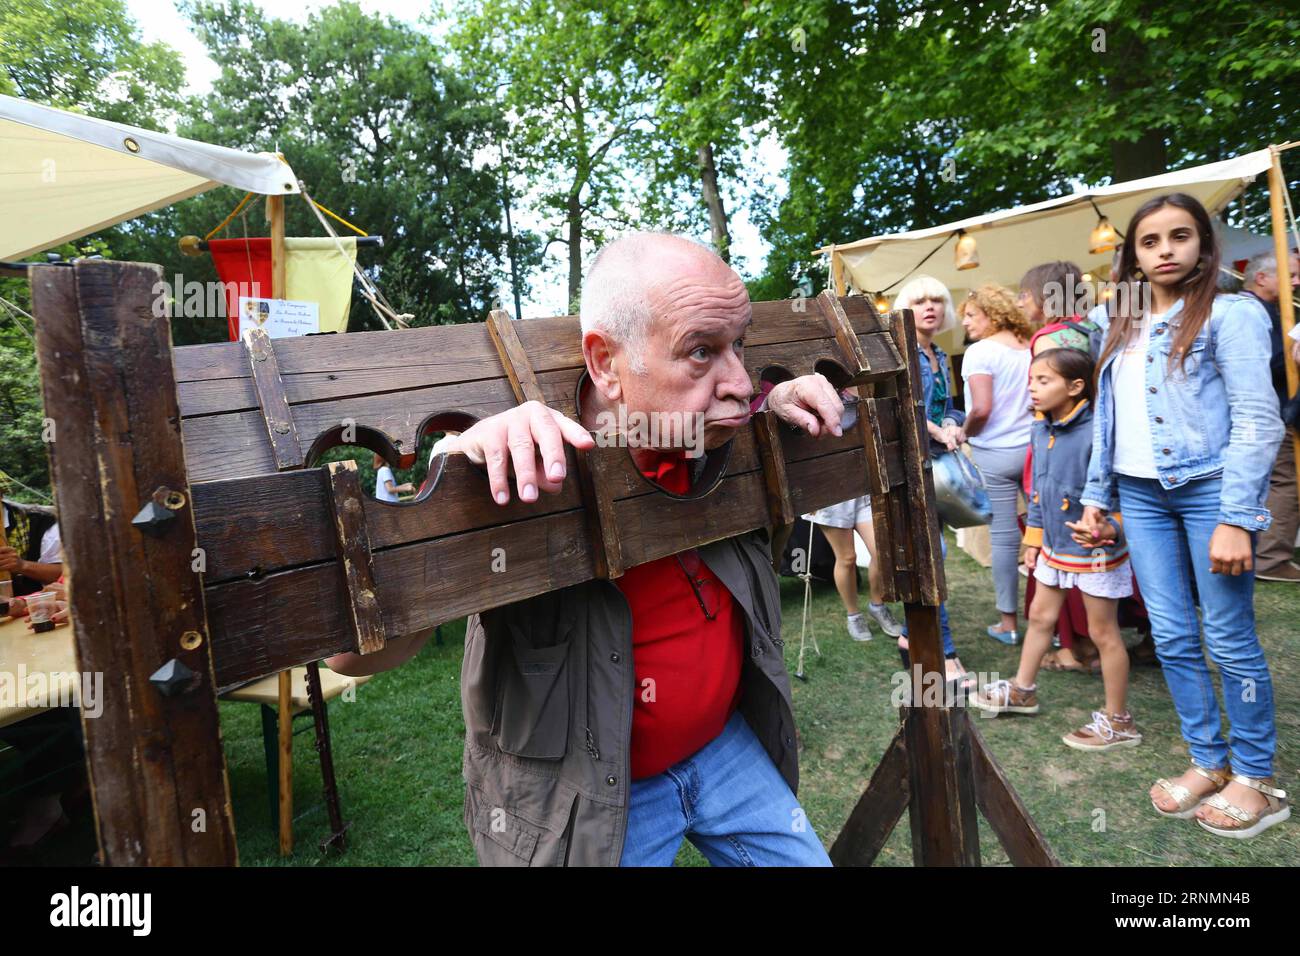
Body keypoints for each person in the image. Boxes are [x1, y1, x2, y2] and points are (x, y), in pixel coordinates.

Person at [328, 232, 851, 866]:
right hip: (591, 799)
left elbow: (746, 398)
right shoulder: (508, 476)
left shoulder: (725, 433)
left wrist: (779, 407)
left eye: (740, 344)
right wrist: (456, 487)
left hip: (726, 750)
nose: (739, 380)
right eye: (701, 351)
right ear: (604, 365)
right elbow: (353, 662)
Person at [1075, 192, 1288, 839]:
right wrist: (1096, 496)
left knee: (1228, 636)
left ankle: (1257, 778)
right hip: (1140, 497)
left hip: (1209, 489)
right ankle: (1207, 762)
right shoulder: (1119, 320)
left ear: (1202, 244)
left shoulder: (1233, 312)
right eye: (1150, 240)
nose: (1166, 249)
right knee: (1169, 636)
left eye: (1180, 236)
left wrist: (1235, 515)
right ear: (1134, 254)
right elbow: (1105, 421)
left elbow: (1258, 417)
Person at [972, 349, 1138, 750]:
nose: (1033, 388)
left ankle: (1119, 721)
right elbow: (1039, 492)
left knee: (1103, 632)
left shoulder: (1098, 431)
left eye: (1043, 381)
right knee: (1040, 616)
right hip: (1053, 548)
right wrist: (1033, 539)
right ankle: (1023, 689)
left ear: (1076, 386)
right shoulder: (1040, 428)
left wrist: (1112, 528)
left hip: (1093, 548)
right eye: (1031, 381)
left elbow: (1121, 494)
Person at [892, 275, 973, 688]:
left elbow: (948, 407)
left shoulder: (940, 353)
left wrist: (953, 425)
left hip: (939, 467)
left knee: (931, 556)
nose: (931, 307)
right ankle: (945, 650)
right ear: (907, 306)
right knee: (933, 556)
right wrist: (934, 429)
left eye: (938, 300)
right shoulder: (902, 350)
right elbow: (902, 405)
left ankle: (910, 637)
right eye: (921, 300)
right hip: (911, 469)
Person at [959, 283, 1033, 645]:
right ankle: (1052, 620)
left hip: (995, 452)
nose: (967, 325)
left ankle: (1009, 622)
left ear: (991, 313)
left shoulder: (981, 352)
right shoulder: (1030, 345)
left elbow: (981, 408)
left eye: (971, 316)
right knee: (1046, 534)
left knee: (1004, 539)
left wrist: (964, 432)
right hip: (1035, 452)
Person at [1241, 249, 1300, 582]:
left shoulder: (1265, 311)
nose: (1296, 282)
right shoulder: (1252, 313)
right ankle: (1270, 557)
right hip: (1266, 413)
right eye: (1289, 275)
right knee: (1284, 482)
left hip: (1266, 412)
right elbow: (1262, 365)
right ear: (1262, 278)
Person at [801, 491, 902, 642]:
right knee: (847, 558)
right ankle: (854, 615)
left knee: (882, 553)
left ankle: (877, 606)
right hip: (828, 499)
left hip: (861, 491)